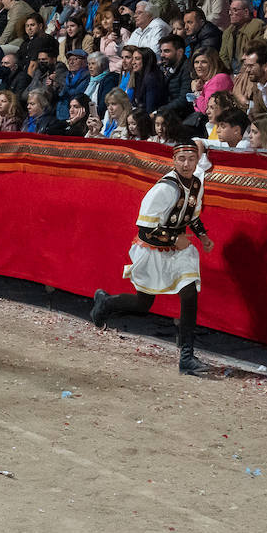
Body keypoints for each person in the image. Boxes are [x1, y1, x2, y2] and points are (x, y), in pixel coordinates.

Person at [90, 140, 215, 376]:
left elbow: (191, 216)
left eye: (191, 159)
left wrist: (203, 236)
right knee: (143, 303)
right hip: (153, 248)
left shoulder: (197, 185)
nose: (187, 164)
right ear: (174, 161)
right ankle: (105, 303)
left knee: (189, 293)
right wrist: (173, 240)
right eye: (182, 159)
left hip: (179, 249)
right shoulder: (164, 188)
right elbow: (145, 229)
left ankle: (186, 356)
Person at [218, 0, 264, 74]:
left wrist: (241, 74)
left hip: (248, 73)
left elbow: (255, 55)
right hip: (231, 73)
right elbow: (223, 56)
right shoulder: (228, 32)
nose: (230, 13)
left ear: (246, 12)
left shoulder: (257, 26)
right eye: (230, 10)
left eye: (235, 10)